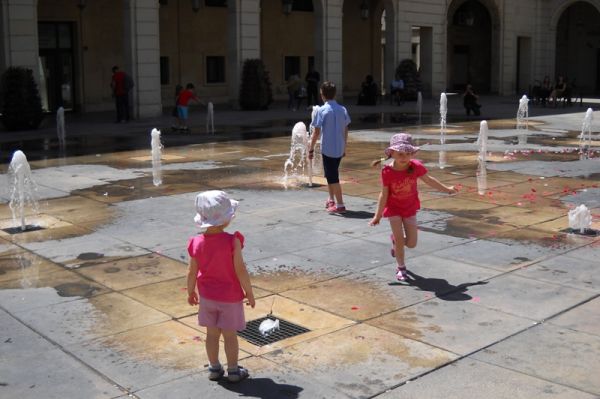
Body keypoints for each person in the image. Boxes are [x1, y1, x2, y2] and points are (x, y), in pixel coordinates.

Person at [186, 190, 255, 383]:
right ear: (226, 219)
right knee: (230, 335)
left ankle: (214, 368)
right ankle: (233, 371)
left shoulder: (196, 242)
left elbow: (191, 272)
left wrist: (191, 291)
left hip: (207, 297)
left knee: (212, 334)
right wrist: (249, 292)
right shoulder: (232, 241)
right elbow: (240, 270)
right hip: (230, 298)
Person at [369, 133, 457, 281]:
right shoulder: (387, 171)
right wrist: (377, 215)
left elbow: (430, 180)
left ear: (412, 153)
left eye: (408, 154)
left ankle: (396, 242)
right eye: (400, 154)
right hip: (394, 209)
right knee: (399, 239)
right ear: (392, 153)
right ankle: (401, 267)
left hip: (409, 207)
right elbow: (383, 195)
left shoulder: (415, 166)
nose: (404, 157)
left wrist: (447, 189)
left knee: (411, 243)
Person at [308, 81, 351, 213]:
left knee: (333, 177)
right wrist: (344, 147)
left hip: (328, 149)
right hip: (338, 148)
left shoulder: (321, 110)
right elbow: (345, 129)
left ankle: (340, 205)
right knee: (330, 175)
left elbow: (316, 132)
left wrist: (311, 148)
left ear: (322, 95)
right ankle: (331, 198)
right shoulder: (342, 109)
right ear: (335, 94)